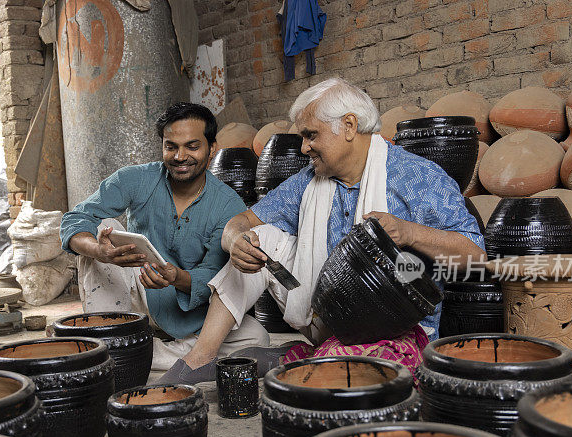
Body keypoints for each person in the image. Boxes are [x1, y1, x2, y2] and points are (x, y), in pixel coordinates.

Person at [157, 78, 486, 385]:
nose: (303, 148)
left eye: (311, 135)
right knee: (263, 240)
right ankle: (200, 359)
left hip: (395, 325)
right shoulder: (310, 179)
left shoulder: (416, 177)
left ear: (348, 126)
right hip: (323, 310)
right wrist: (235, 240)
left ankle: (293, 358)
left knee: (341, 379)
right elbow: (241, 222)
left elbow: (475, 256)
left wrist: (408, 232)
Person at [60, 102, 270, 371]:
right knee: (103, 229)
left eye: (192, 146)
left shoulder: (229, 205)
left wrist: (177, 277)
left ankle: (132, 352)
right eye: (171, 146)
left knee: (257, 339)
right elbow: (74, 220)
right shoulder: (135, 178)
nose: (180, 156)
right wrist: (99, 250)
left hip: (190, 312)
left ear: (211, 148)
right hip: (139, 293)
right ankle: (111, 337)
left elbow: (215, 276)